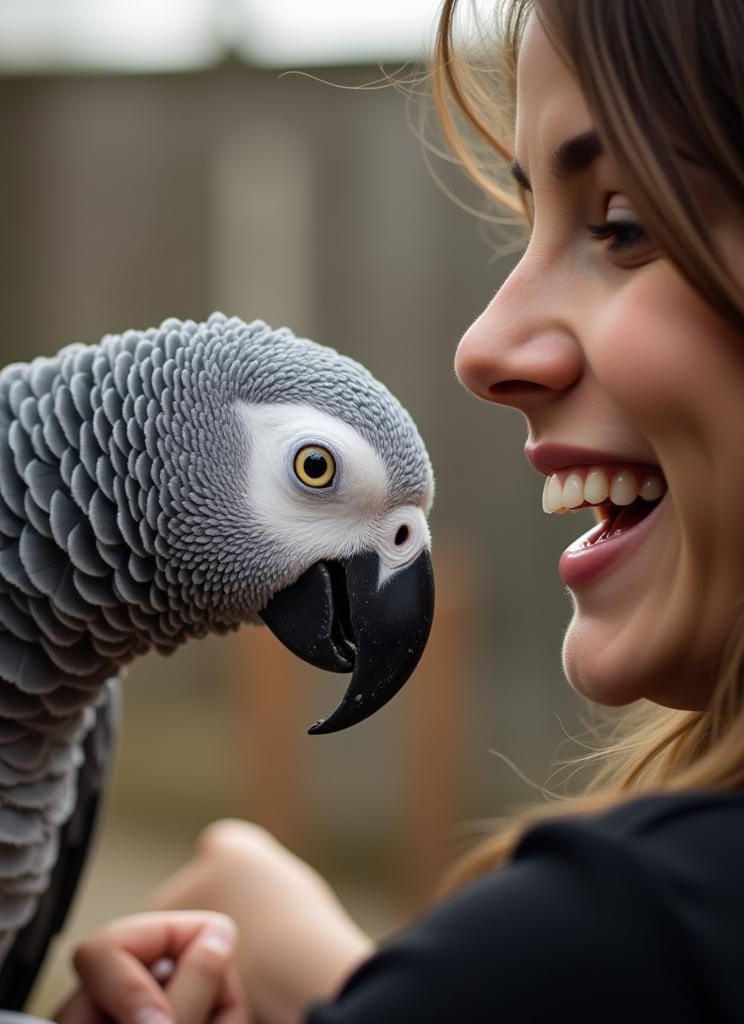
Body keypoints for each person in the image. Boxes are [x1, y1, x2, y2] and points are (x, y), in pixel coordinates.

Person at [53, 2, 744, 1021]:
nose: (481, 346)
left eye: (623, 225)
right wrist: (358, 988)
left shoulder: (615, 935)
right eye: (529, 226)